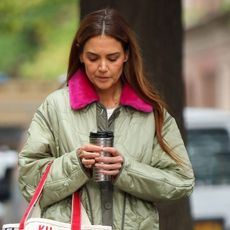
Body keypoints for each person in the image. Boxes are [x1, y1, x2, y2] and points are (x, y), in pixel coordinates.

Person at [18, 8, 195, 230]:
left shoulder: (151, 113)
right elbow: (28, 182)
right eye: (93, 58)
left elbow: (182, 180)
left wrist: (126, 170)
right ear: (80, 54)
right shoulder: (55, 108)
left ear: (126, 55)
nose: (103, 67)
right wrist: (76, 164)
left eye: (112, 58)